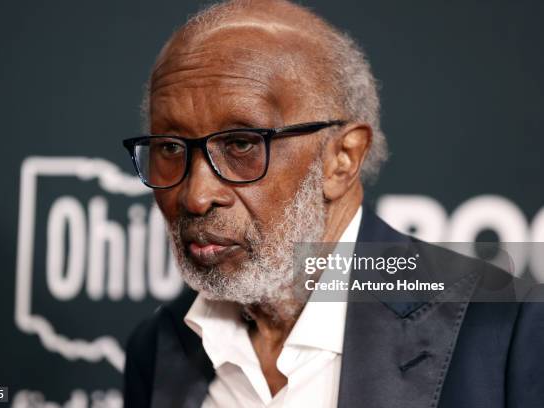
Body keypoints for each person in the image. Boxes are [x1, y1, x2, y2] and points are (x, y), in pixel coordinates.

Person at [122, 1, 544, 407]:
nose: (195, 196)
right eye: (171, 148)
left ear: (341, 159)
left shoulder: (509, 332)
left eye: (241, 144)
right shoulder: (160, 348)